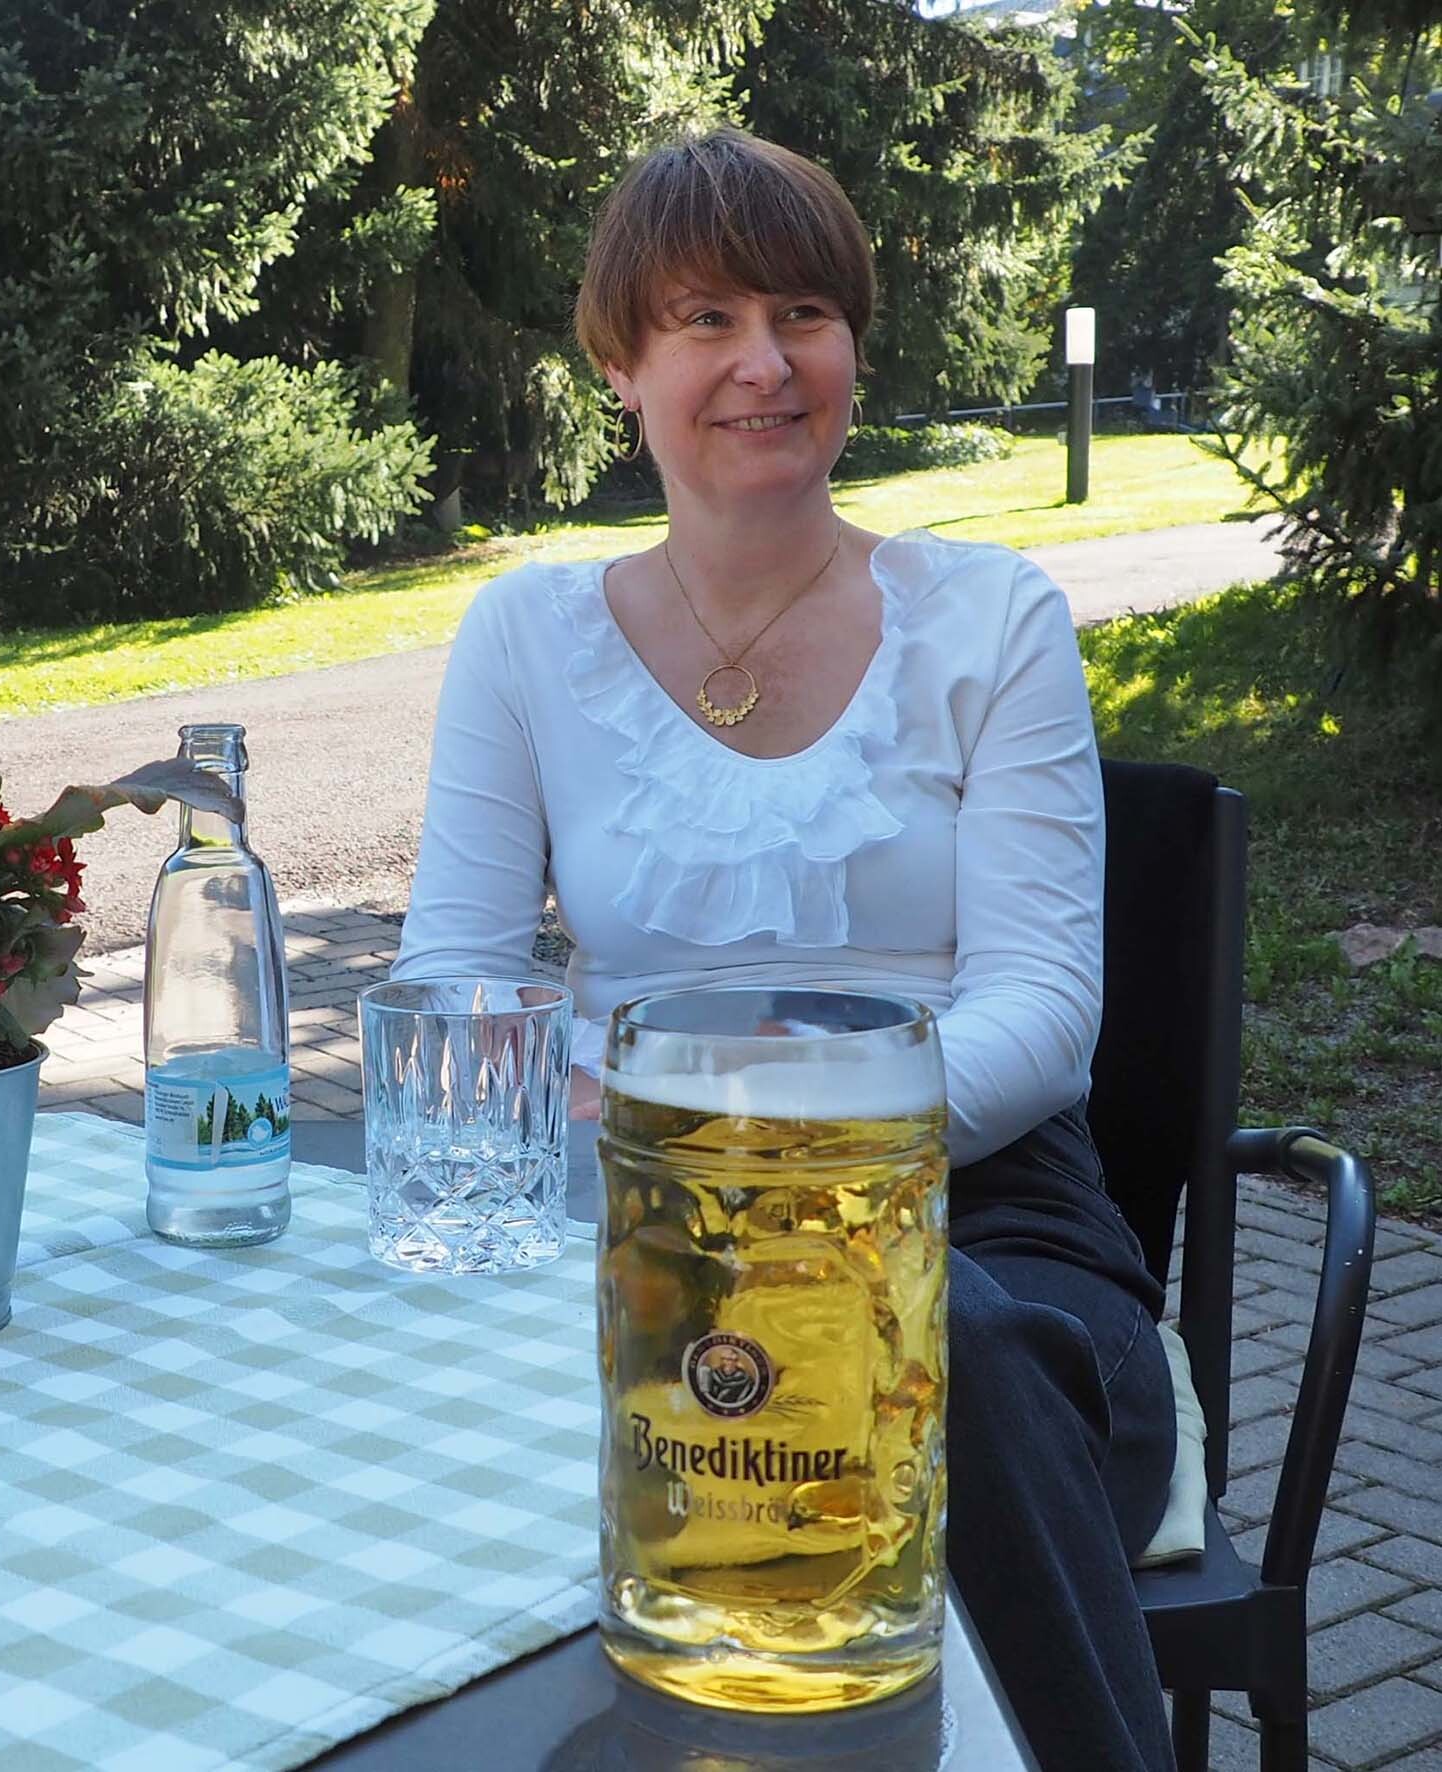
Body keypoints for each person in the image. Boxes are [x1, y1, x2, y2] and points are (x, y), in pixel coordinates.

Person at [392, 130, 1177, 1772]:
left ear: (850, 349)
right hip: (635, 1238)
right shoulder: (525, 637)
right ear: (620, 365)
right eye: (705, 319)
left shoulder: (991, 617)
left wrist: (760, 1153)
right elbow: (458, 995)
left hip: (986, 1231)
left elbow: (1043, 1015)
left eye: (802, 313)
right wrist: (683, 1177)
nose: (764, 361)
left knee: (939, 1347)